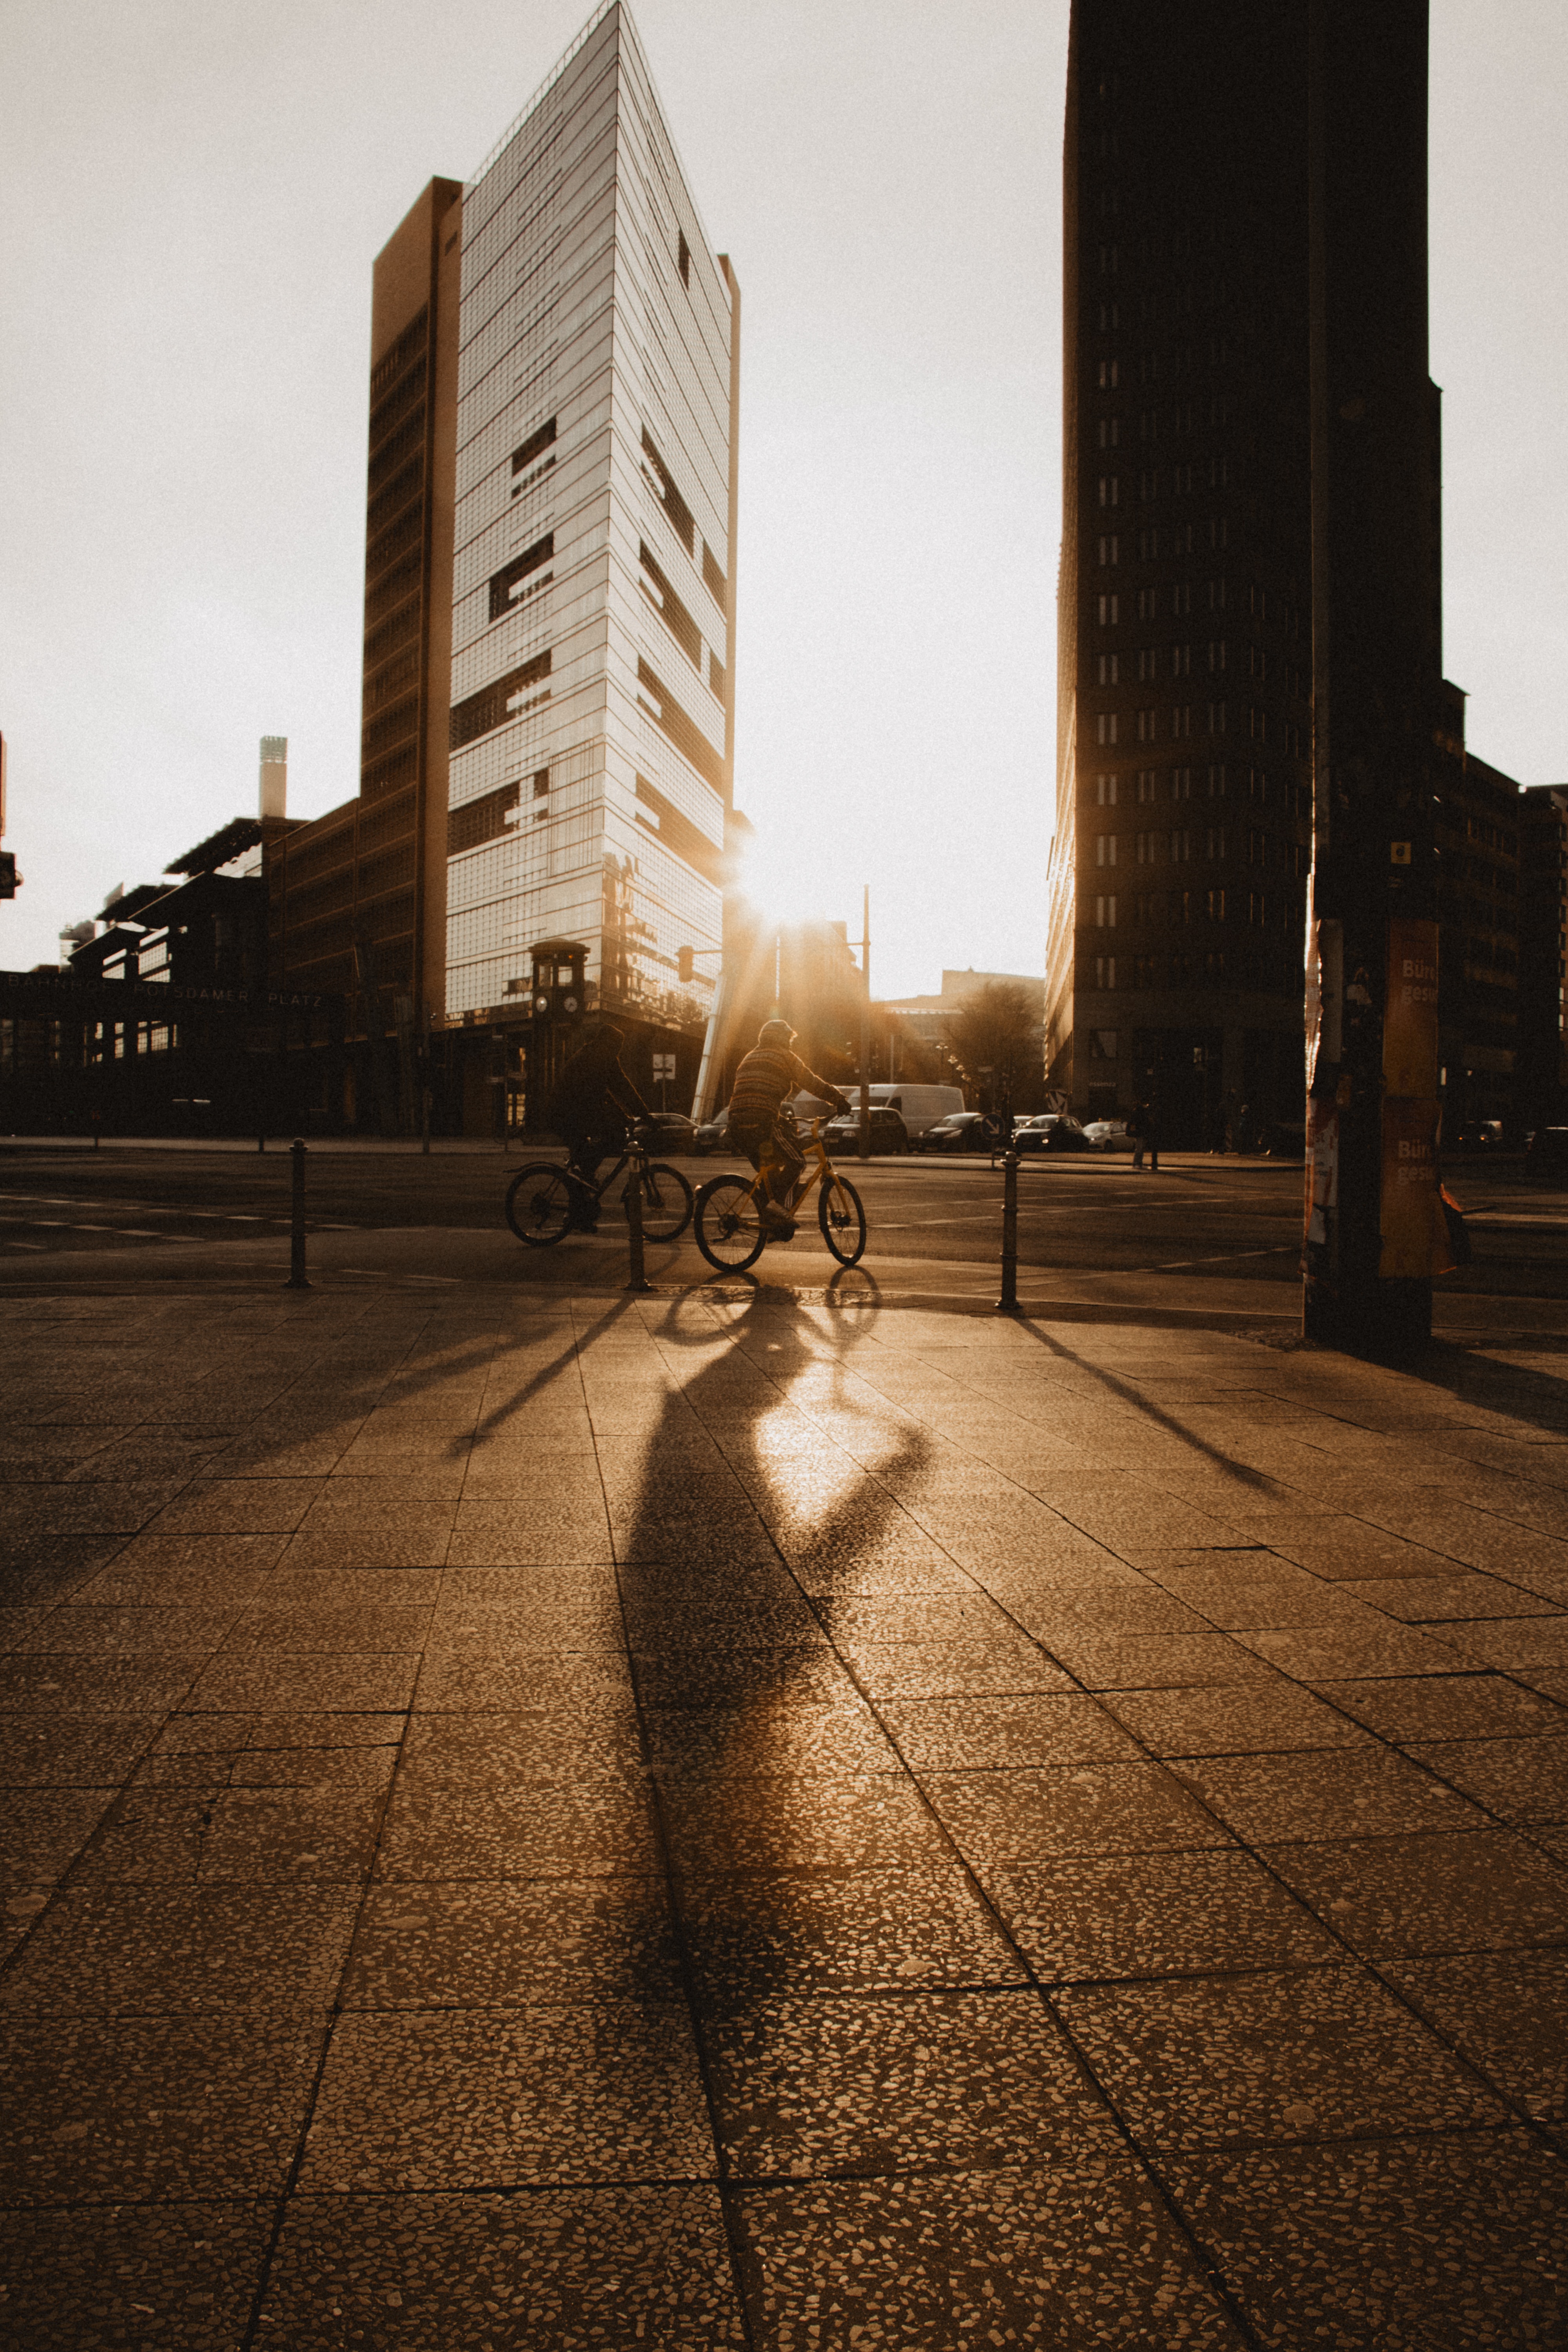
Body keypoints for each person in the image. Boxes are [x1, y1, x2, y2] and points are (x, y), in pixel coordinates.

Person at [727, 1019, 850, 1234]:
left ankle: (772, 1224)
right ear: (782, 1039)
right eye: (789, 1040)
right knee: (797, 1161)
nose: (790, 1045)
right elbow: (811, 1082)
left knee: (772, 1176)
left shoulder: (749, 1057)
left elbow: (756, 1094)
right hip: (760, 1124)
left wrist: (780, 1119)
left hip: (737, 1126)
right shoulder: (784, 1056)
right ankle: (778, 1211)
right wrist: (838, 1100)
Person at [548, 1024, 652, 1229]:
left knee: (587, 1163)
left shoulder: (594, 1054)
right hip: (569, 1113)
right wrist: (645, 1115)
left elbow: (607, 1094)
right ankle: (579, 1197)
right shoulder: (602, 1057)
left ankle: (580, 1213)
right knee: (613, 1137)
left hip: (566, 1112)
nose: (619, 1050)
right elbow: (622, 1087)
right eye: (618, 1045)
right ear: (609, 1042)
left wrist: (626, 1117)